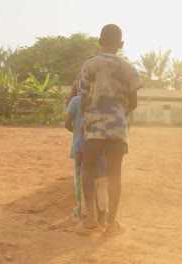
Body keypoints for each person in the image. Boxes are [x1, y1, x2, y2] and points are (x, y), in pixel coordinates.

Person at [79, 24, 141, 235]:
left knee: (87, 168)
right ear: (121, 44)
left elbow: (83, 100)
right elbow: (133, 101)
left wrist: (91, 115)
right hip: (117, 129)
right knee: (115, 173)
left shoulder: (90, 65)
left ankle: (90, 219)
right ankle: (112, 223)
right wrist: (118, 114)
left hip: (95, 126)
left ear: (99, 41)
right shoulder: (129, 69)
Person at [74, 128, 109, 227]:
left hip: (87, 172)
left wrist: (78, 166)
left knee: (87, 195)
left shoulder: (82, 135)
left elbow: (78, 153)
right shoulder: (105, 134)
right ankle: (102, 219)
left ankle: (87, 220)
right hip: (104, 171)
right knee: (102, 194)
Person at [64, 90, 84, 219]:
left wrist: (77, 133)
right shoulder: (100, 100)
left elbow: (67, 124)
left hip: (79, 147)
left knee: (79, 179)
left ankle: (81, 212)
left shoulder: (76, 100)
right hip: (98, 148)